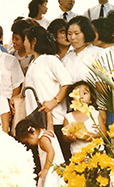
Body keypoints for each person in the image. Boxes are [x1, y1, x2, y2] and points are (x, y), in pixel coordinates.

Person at [21, 25, 73, 161]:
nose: (23, 44)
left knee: (58, 163)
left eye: (25, 40)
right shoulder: (33, 63)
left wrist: (53, 102)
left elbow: (67, 82)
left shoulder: (50, 59)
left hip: (54, 121)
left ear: (34, 41)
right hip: (36, 122)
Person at [16, 113, 65, 187]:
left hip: (51, 171)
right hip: (59, 168)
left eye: (28, 141)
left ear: (33, 133)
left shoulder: (43, 139)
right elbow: (50, 123)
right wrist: (48, 113)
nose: (30, 144)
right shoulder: (50, 132)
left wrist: (45, 169)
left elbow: (51, 152)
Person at [63, 81, 107, 155]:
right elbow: (65, 137)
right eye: (77, 94)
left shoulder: (95, 114)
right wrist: (69, 137)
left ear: (90, 100)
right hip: (79, 156)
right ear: (71, 99)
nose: (81, 97)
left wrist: (94, 135)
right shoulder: (68, 117)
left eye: (84, 93)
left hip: (98, 154)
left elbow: (104, 133)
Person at [62, 16, 102, 82]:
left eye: (76, 33)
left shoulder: (98, 54)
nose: (72, 37)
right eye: (69, 34)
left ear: (86, 33)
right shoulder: (67, 58)